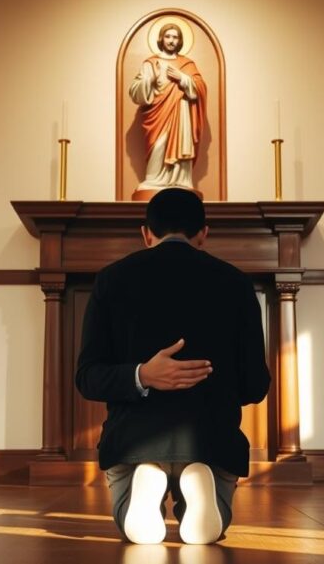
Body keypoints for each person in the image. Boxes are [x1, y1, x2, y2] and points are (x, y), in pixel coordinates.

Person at [75, 188, 271, 544]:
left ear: (146, 233)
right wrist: (213, 385)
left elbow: (88, 378)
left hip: (134, 440)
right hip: (212, 440)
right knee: (215, 514)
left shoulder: (110, 280)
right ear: (203, 234)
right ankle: (197, 480)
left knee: (128, 515)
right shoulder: (237, 284)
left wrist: (141, 375)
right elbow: (256, 384)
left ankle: (145, 481)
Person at [128, 24, 206, 193]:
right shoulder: (151, 63)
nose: (171, 41)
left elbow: (200, 88)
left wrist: (182, 78)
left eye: (175, 37)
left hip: (181, 115)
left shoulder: (186, 64)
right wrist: (149, 80)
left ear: (180, 40)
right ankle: (155, 179)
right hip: (158, 117)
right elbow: (134, 92)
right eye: (168, 36)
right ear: (161, 39)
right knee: (159, 146)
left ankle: (180, 180)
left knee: (181, 145)